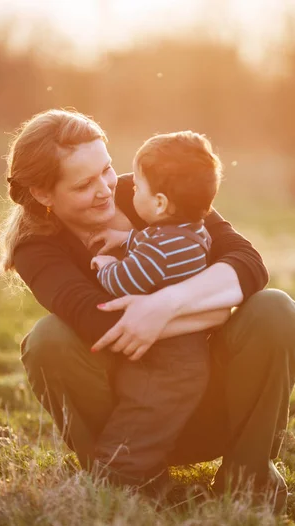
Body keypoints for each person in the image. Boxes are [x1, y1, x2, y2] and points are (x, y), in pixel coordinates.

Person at [0, 108, 295, 513]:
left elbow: (248, 264)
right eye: (84, 184)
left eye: (106, 170)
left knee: (275, 310)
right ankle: (127, 483)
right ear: (43, 194)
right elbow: (99, 319)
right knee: (46, 340)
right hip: (130, 417)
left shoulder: (153, 192)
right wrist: (214, 307)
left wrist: (165, 305)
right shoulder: (37, 248)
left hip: (215, 397)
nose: (106, 189)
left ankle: (247, 482)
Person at [89, 131, 217, 486]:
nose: (130, 192)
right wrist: (126, 239)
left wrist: (103, 263)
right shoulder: (193, 231)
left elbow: (124, 281)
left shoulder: (159, 249)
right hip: (185, 356)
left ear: (160, 204)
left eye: (138, 189)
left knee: (141, 419)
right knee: (147, 416)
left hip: (166, 362)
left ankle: (118, 479)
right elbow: (155, 243)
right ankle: (141, 473)